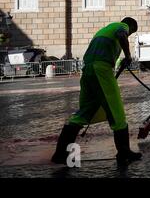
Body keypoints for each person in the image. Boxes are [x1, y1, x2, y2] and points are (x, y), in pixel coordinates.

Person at [51, 17, 142, 166]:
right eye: (131, 32)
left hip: (88, 70)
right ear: (130, 26)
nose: (129, 34)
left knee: (86, 111)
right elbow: (122, 35)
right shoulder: (122, 26)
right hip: (101, 69)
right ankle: (124, 152)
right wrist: (128, 55)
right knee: (116, 110)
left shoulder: (104, 30)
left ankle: (60, 153)